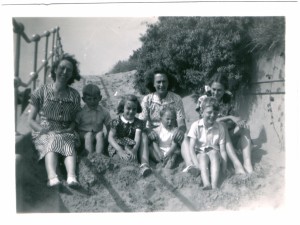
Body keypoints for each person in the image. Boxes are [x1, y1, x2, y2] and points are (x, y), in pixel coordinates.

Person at [28, 53, 82, 187]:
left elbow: (76, 119)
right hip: (46, 130)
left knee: (69, 145)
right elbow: (30, 120)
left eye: (69, 70)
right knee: (51, 140)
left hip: (65, 130)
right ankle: (52, 178)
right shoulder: (41, 91)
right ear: (55, 69)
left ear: (72, 74)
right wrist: (42, 130)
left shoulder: (74, 95)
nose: (65, 72)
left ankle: (71, 177)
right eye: (62, 68)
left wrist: (71, 126)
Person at [138, 70, 199, 176]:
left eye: (164, 81)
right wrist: (148, 130)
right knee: (142, 134)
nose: (162, 85)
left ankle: (189, 165)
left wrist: (180, 131)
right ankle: (144, 165)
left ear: (168, 82)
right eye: (158, 82)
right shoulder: (147, 99)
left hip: (171, 133)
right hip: (154, 134)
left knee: (183, 135)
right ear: (153, 83)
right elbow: (141, 123)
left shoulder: (176, 98)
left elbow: (181, 123)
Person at [196, 72, 253, 174]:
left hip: (227, 137)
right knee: (222, 126)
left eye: (219, 90)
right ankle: (237, 164)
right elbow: (204, 121)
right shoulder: (203, 99)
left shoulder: (228, 99)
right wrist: (229, 117)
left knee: (245, 128)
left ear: (224, 90)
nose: (216, 93)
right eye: (213, 89)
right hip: (211, 138)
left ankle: (247, 164)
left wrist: (239, 121)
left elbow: (237, 118)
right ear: (210, 87)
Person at [188, 97, 227, 190]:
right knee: (203, 156)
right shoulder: (195, 126)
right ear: (202, 112)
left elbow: (223, 150)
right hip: (201, 157)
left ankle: (214, 184)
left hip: (215, 158)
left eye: (215, 113)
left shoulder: (220, 127)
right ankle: (206, 183)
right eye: (209, 112)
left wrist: (224, 167)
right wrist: (196, 165)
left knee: (213, 153)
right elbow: (191, 148)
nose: (212, 115)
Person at [75, 84, 111, 155]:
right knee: (89, 135)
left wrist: (106, 142)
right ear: (84, 99)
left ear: (100, 98)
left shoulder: (104, 111)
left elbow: (109, 127)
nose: (92, 101)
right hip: (83, 134)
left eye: (95, 98)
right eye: (89, 99)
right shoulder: (81, 112)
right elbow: (75, 126)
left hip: (97, 133)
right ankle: (90, 156)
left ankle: (99, 157)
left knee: (100, 134)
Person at [108, 94, 144, 164]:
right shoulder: (117, 121)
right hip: (117, 146)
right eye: (128, 108)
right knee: (119, 160)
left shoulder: (138, 123)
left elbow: (137, 138)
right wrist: (120, 150)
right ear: (122, 108)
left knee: (132, 159)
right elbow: (110, 138)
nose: (131, 111)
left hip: (130, 146)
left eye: (134, 109)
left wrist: (134, 150)